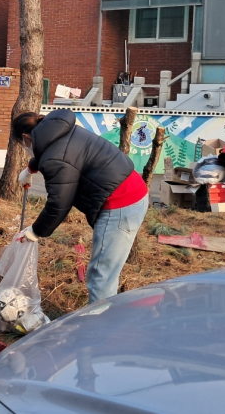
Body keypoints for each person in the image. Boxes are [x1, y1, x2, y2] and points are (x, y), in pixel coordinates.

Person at [13, 109, 148, 304]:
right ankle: (107, 315)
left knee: (101, 276)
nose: (24, 148)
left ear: (26, 138)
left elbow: (59, 203)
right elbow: (54, 152)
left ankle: (99, 327)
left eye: (22, 145)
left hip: (121, 204)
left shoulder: (54, 157)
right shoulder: (60, 130)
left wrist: (35, 231)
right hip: (129, 192)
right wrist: (30, 169)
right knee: (106, 272)